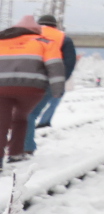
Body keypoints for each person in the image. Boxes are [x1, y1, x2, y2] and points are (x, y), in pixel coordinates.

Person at [0, 15, 64, 162]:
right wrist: (57, 90)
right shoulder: (45, 42)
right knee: (21, 118)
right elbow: (55, 67)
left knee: (1, 123)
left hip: (1, 88)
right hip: (31, 89)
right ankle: (15, 153)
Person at [24, 13, 76, 153]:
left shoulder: (28, 36)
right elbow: (69, 64)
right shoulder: (64, 38)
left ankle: (22, 146)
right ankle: (26, 147)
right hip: (49, 83)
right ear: (55, 26)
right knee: (30, 114)